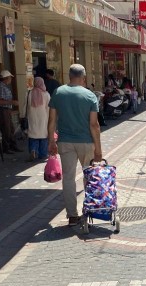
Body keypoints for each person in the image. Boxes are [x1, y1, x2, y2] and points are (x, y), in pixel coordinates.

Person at [48, 64, 103, 226]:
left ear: (69, 76)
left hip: (65, 142)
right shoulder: (90, 96)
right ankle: (90, 210)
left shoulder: (58, 92)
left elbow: (52, 120)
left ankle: (72, 215)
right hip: (86, 142)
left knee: (69, 178)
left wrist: (51, 141)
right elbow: (94, 125)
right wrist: (98, 149)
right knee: (90, 176)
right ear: (83, 77)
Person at [0, 70, 21, 154]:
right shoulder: (1, 87)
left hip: (6, 110)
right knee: (6, 130)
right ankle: (6, 148)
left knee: (10, 129)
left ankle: (13, 146)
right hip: (2, 110)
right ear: (6, 78)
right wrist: (12, 102)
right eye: (10, 78)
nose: (11, 80)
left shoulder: (4, 87)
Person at [25, 77, 50, 161]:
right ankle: (43, 154)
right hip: (43, 118)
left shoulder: (29, 93)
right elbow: (48, 108)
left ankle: (33, 150)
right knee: (43, 136)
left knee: (33, 135)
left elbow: (25, 106)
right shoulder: (46, 94)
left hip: (32, 118)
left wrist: (22, 116)